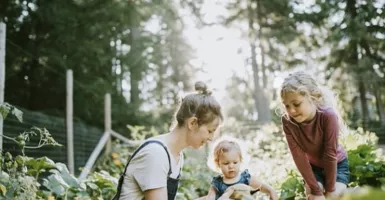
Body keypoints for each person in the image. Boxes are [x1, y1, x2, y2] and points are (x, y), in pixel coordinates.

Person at [113, 81, 223, 200]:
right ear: (192, 123)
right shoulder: (156, 154)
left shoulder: (176, 155)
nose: (211, 138)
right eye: (210, 131)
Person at [279, 71, 350, 200]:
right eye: (287, 106)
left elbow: (330, 154)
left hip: (337, 165)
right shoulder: (287, 121)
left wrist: (330, 189)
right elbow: (298, 157)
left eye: (296, 104)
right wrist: (316, 191)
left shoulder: (328, 116)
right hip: (313, 168)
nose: (291, 111)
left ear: (313, 98)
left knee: (332, 197)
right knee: (315, 197)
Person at [205, 139, 278, 200]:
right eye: (226, 163)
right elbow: (210, 197)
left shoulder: (245, 178)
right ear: (218, 164)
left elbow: (261, 186)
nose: (231, 166)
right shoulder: (218, 183)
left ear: (240, 161)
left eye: (235, 162)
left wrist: (271, 191)